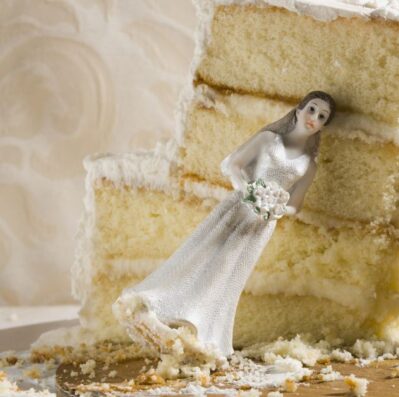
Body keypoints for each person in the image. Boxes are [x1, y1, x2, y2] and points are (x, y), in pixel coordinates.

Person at [113, 91, 336, 365]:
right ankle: (158, 305)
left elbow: (295, 204)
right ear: (299, 110)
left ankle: (206, 334)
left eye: (322, 116)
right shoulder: (268, 139)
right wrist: (250, 192)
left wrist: (276, 207)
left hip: (260, 224)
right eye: (312, 109)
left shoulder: (307, 165)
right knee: (203, 255)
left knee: (228, 275)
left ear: (324, 125)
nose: (314, 118)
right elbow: (232, 164)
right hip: (237, 208)